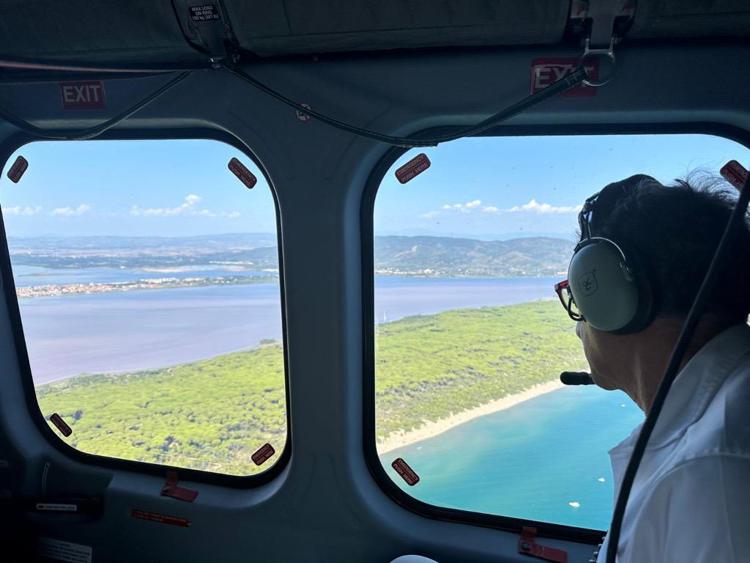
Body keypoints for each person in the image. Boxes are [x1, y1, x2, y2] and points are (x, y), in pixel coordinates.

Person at [556, 174, 750, 562]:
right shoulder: (723, 410)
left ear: (614, 301)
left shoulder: (712, 475)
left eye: (579, 299)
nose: (579, 329)